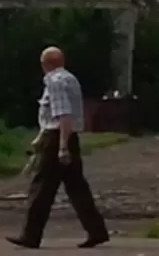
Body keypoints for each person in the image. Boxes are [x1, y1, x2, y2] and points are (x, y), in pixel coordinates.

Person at [6, 46, 110, 249]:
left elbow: (63, 115)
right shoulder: (71, 79)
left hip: (57, 139)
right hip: (66, 137)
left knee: (41, 187)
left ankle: (30, 235)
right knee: (77, 188)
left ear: (45, 64)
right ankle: (97, 231)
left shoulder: (54, 82)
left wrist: (62, 147)